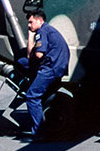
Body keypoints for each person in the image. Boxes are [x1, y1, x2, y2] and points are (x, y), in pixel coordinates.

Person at [15, 8, 69, 142]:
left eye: (31, 22)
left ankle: (39, 133)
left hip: (50, 68)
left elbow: (38, 54)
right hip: (58, 67)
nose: (29, 25)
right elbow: (30, 55)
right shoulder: (48, 30)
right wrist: (30, 35)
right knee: (24, 61)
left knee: (32, 95)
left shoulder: (42, 32)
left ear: (40, 21)